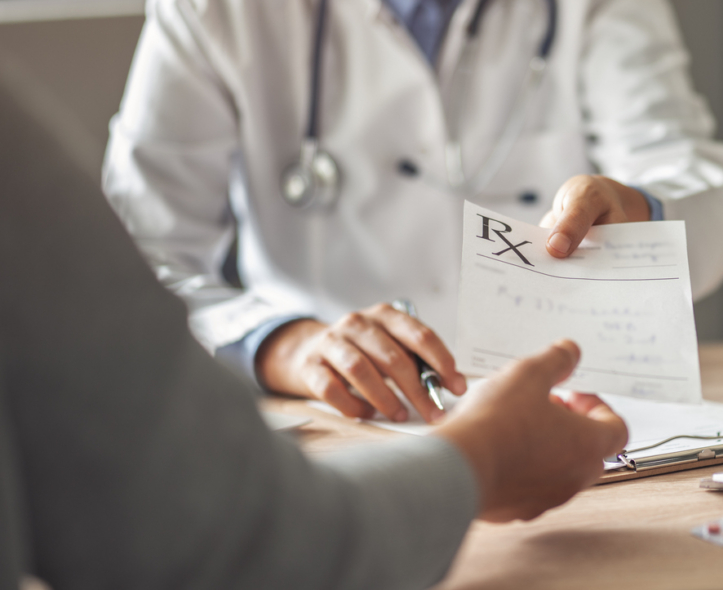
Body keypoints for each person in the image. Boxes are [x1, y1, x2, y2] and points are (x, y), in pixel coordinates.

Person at [0, 99, 627, 589]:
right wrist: (282, 343)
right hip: (350, 424)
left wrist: (643, 205)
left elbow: (696, 168)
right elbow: (233, 547)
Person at [102, 0, 723, 423]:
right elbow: (134, 263)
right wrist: (285, 346)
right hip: (338, 420)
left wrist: (638, 211)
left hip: (565, 415)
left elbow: (700, 188)